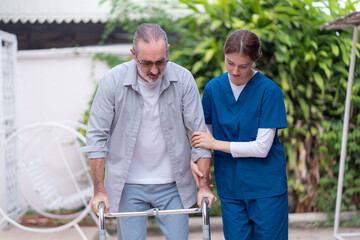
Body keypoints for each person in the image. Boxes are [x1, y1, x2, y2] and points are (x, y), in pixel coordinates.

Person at [82, 23, 216, 240]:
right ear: (133, 54)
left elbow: (198, 136)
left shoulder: (183, 79)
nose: (154, 70)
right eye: (146, 63)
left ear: (168, 51)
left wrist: (203, 187)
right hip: (127, 184)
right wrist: (99, 191)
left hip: (174, 183)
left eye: (160, 62)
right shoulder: (112, 81)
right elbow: (96, 138)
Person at [191, 29, 288, 240]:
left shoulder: (269, 91)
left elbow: (261, 148)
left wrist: (215, 143)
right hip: (231, 187)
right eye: (230, 62)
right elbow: (203, 136)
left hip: (266, 189)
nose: (235, 71)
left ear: (254, 60)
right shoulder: (213, 89)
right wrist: (197, 164)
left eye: (243, 66)